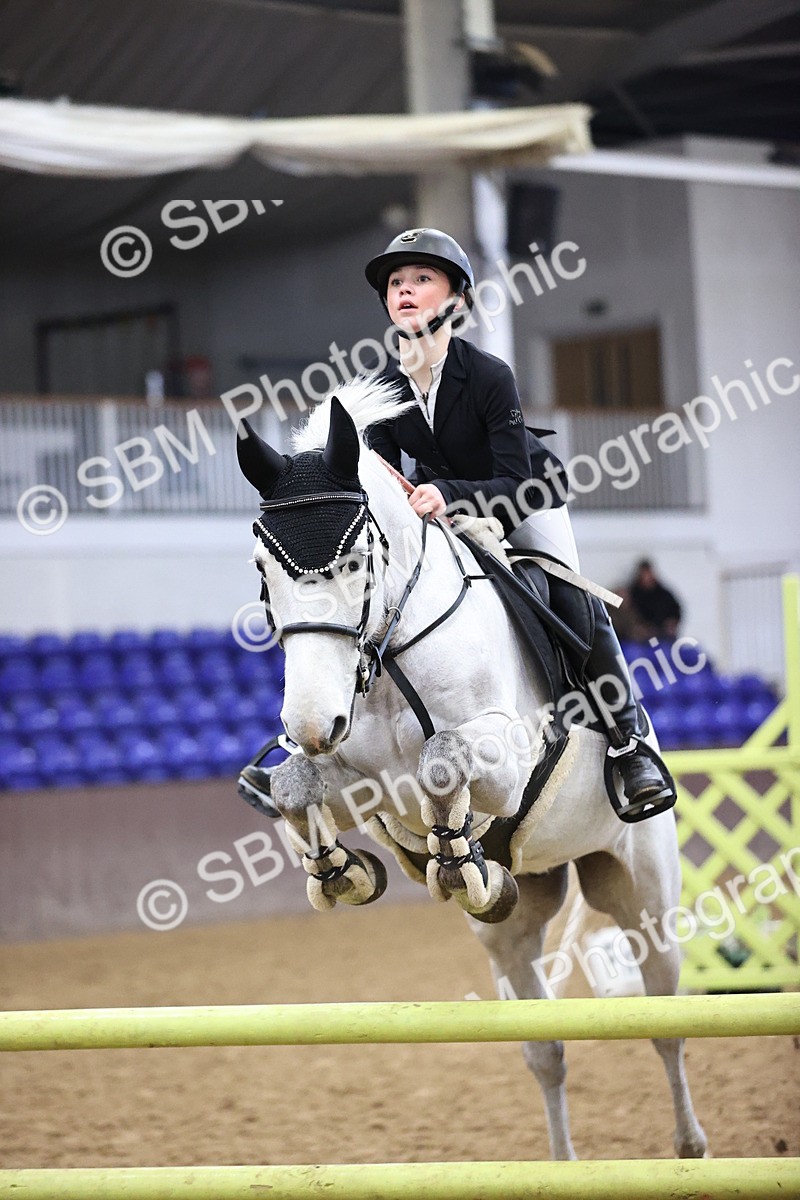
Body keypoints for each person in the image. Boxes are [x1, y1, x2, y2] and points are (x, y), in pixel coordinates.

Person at [241, 228, 673, 815]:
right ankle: (308, 740)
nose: (405, 291)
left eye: (422, 279)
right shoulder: (383, 389)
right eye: (397, 283)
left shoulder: (490, 376)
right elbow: (379, 483)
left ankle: (630, 744)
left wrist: (446, 494)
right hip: (440, 510)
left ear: (457, 301)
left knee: (573, 595)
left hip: (524, 497)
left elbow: (517, 480)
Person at [628, 559, 682, 641]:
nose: (646, 577)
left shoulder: (663, 593)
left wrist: (671, 624)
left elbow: (676, 611)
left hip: (663, 634)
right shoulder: (633, 593)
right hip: (641, 637)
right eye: (644, 574)